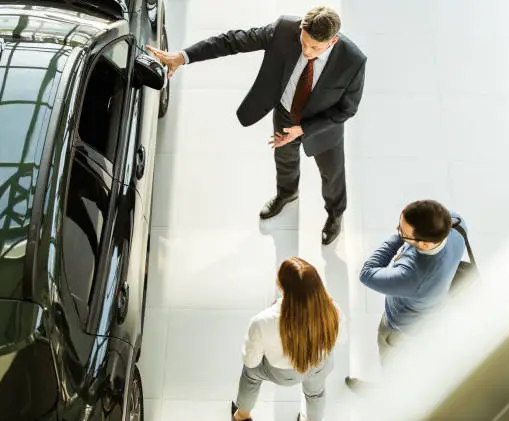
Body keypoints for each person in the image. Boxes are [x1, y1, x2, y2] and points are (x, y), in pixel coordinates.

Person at [146, 6, 367, 245]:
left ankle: (335, 214)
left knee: (332, 175)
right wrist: (183, 56)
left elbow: (347, 109)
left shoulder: (353, 60)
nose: (306, 50)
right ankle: (287, 193)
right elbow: (232, 41)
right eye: (304, 42)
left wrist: (303, 130)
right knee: (284, 160)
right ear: (301, 27)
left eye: (314, 48)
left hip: (323, 126)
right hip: (285, 113)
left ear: (332, 41)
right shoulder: (284, 30)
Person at [345, 200, 467, 389]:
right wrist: (406, 237)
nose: (398, 230)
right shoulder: (457, 222)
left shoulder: (412, 277)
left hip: (401, 326)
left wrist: (397, 239)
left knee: (391, 363)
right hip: (432, 309)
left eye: (403, 232)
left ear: (425, 244)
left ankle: (388, 392)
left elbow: (367, 274)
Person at [232, 257, 346, 421]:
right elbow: (341, 339)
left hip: (280, 373)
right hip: (318, 366)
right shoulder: (333, 309)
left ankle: (242, 416)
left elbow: (251, 361)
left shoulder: (263, 321)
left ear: (281, 286)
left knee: (250, 375)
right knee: (316, 394)